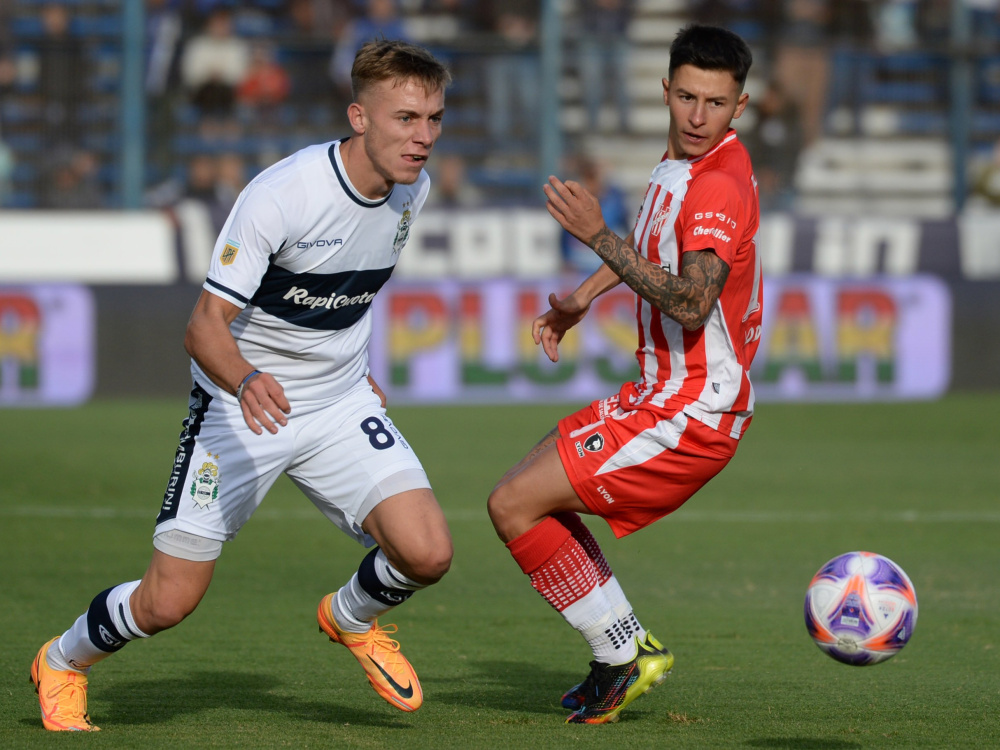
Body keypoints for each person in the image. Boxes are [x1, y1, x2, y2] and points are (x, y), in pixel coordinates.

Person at [30, 39, 454, 732]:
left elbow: (349, 292)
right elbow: (203, 328)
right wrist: (249, 379)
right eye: (406, 118)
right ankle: (63, 659)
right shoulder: (283, 196)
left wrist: (354, 371)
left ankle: (349, 617)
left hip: (338, 405)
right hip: (239, 407)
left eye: (434, 118)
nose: (424, 138)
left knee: (428, 552)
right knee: (169, 603)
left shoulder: (414, 190)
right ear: (358, 116)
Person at [487, 24, 762, 725]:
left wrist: (595, 231)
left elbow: (693, 302)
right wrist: (581, 297)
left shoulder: (718, 185)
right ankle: (623, 649)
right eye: (688, 97)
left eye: (717, 104)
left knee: (514, 504)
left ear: (742, 106)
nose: (698, 117)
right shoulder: (680, 162)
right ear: (665, 89)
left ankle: (624, 652)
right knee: (526, 495)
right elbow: (652, 248)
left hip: (691, 412)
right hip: (659, 395)